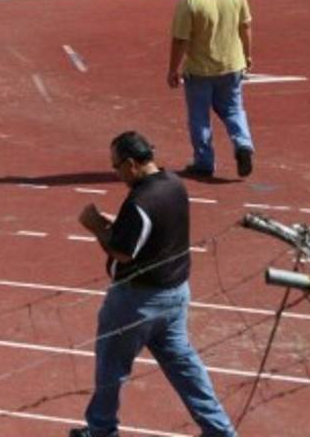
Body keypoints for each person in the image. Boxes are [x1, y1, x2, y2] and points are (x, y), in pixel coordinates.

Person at [72, 131, 236, 437]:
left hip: (137, 301)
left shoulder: (140, 200)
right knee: (185, 367)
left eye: (117, 166)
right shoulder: (173, 184)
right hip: (175, 294)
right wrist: (117, 225)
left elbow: (123, 251)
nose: (116, 173)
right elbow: (153, 232)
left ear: (132, 164)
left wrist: (95, 226)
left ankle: (101, 430)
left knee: (112, 367)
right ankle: (219, 430)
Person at [168, 0, 255, 179]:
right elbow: (245, 27)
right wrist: (247, 56)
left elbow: (180, 39)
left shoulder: (190, 0)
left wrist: (173, 69)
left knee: (199, 117)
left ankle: (204, 161)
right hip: (232, 65)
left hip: (200, 70)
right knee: (234, 110)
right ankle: (243, 144)